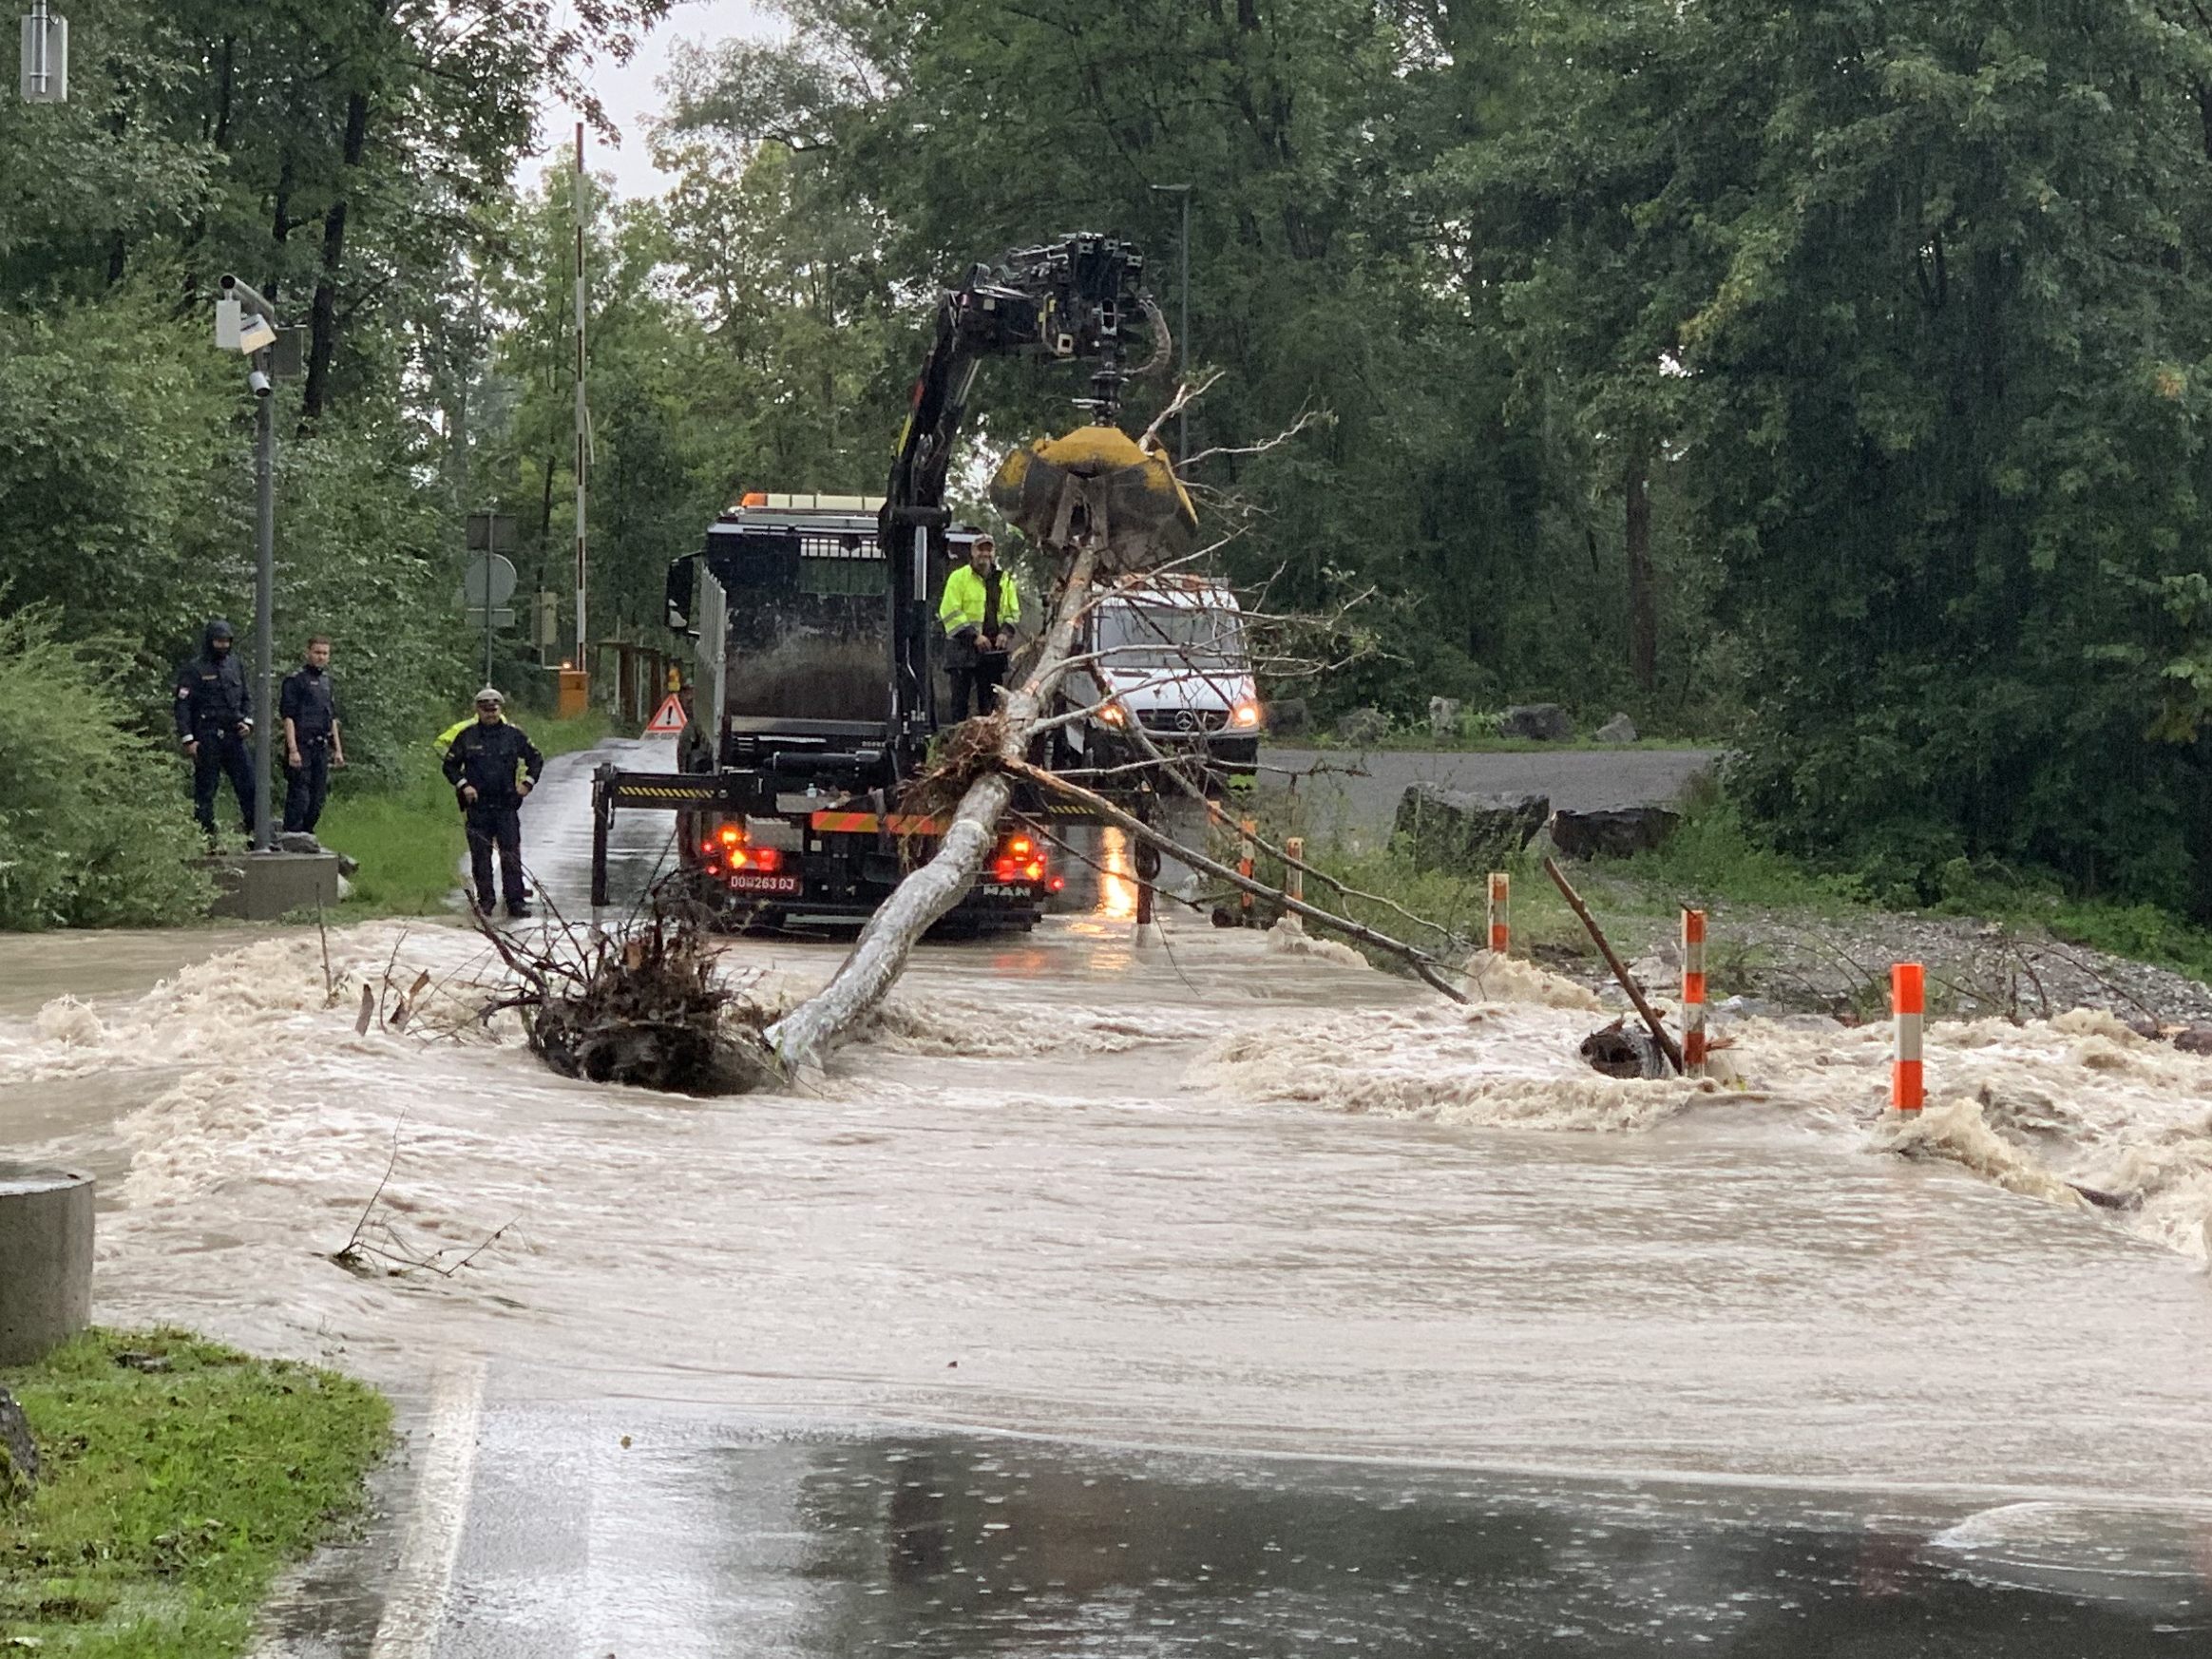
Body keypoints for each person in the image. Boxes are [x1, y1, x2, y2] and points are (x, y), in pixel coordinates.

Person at [442, 687, 543, 918]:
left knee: (510, 854)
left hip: (506, 804)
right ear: (478, 710)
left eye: (494, 709)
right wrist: (463, 785)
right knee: (480, 856)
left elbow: (536, 759)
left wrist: (527, 783)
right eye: (486, 710)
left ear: (500, 709)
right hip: (478, 806)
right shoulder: (467, 737)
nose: (490, 714)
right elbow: (449, 766)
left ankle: (515, 901)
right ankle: (485, 901)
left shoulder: (513, 735)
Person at [174, 618, 255, 842]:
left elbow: (247, 698)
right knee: (206, 790)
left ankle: (255, 833)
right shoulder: (194, 668)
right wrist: (188, 739)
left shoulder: (235, 665)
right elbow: (183, 706)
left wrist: (248, 722)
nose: (223, 645)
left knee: (249, 785)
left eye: (226, 641)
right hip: (207, 736)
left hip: (234, 736)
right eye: (218, 641)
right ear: (210, 641)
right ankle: (206, 839)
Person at [937, 534, 1020, 719]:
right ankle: (959, 742)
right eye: (980, 549)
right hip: (962, 650)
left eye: (988, 549)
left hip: (991, 653)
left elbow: (1013, 612)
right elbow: (949, 611)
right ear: (972, 552)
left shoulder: (1004, 580)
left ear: (994, 553)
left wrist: (1005, 632)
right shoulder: (958, 578)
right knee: (960, 704)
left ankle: (987, 744)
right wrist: (974, 636)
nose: (984, 553)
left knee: (990, 706)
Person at [279, 635, 346, 835]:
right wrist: (292, 749)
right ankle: (291, 835)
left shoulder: (327, 682)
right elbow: (288, 717)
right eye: (317, 652)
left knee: (318, 798)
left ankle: (307, 835)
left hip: (321, 746)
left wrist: (338, 750)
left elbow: (332, 718)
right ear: (308, 652)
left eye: (325, 653)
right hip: (301, 745)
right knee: (300, 795)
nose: (321, 657)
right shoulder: (295, 681)